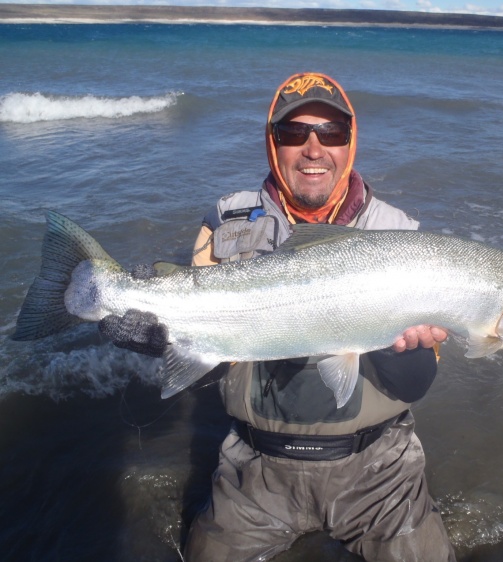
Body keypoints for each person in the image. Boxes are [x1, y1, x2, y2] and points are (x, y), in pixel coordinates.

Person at [101, 72, 456, 561]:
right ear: (273, 144)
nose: (313, 149)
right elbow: (212, 360)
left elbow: (416, 387)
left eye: (330, 133)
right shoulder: (224, 223)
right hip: (255, 471)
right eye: (294, 134)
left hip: (379, 473)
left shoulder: (402, 237)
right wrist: (162, 331)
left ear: (350, 144)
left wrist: (405, 350)